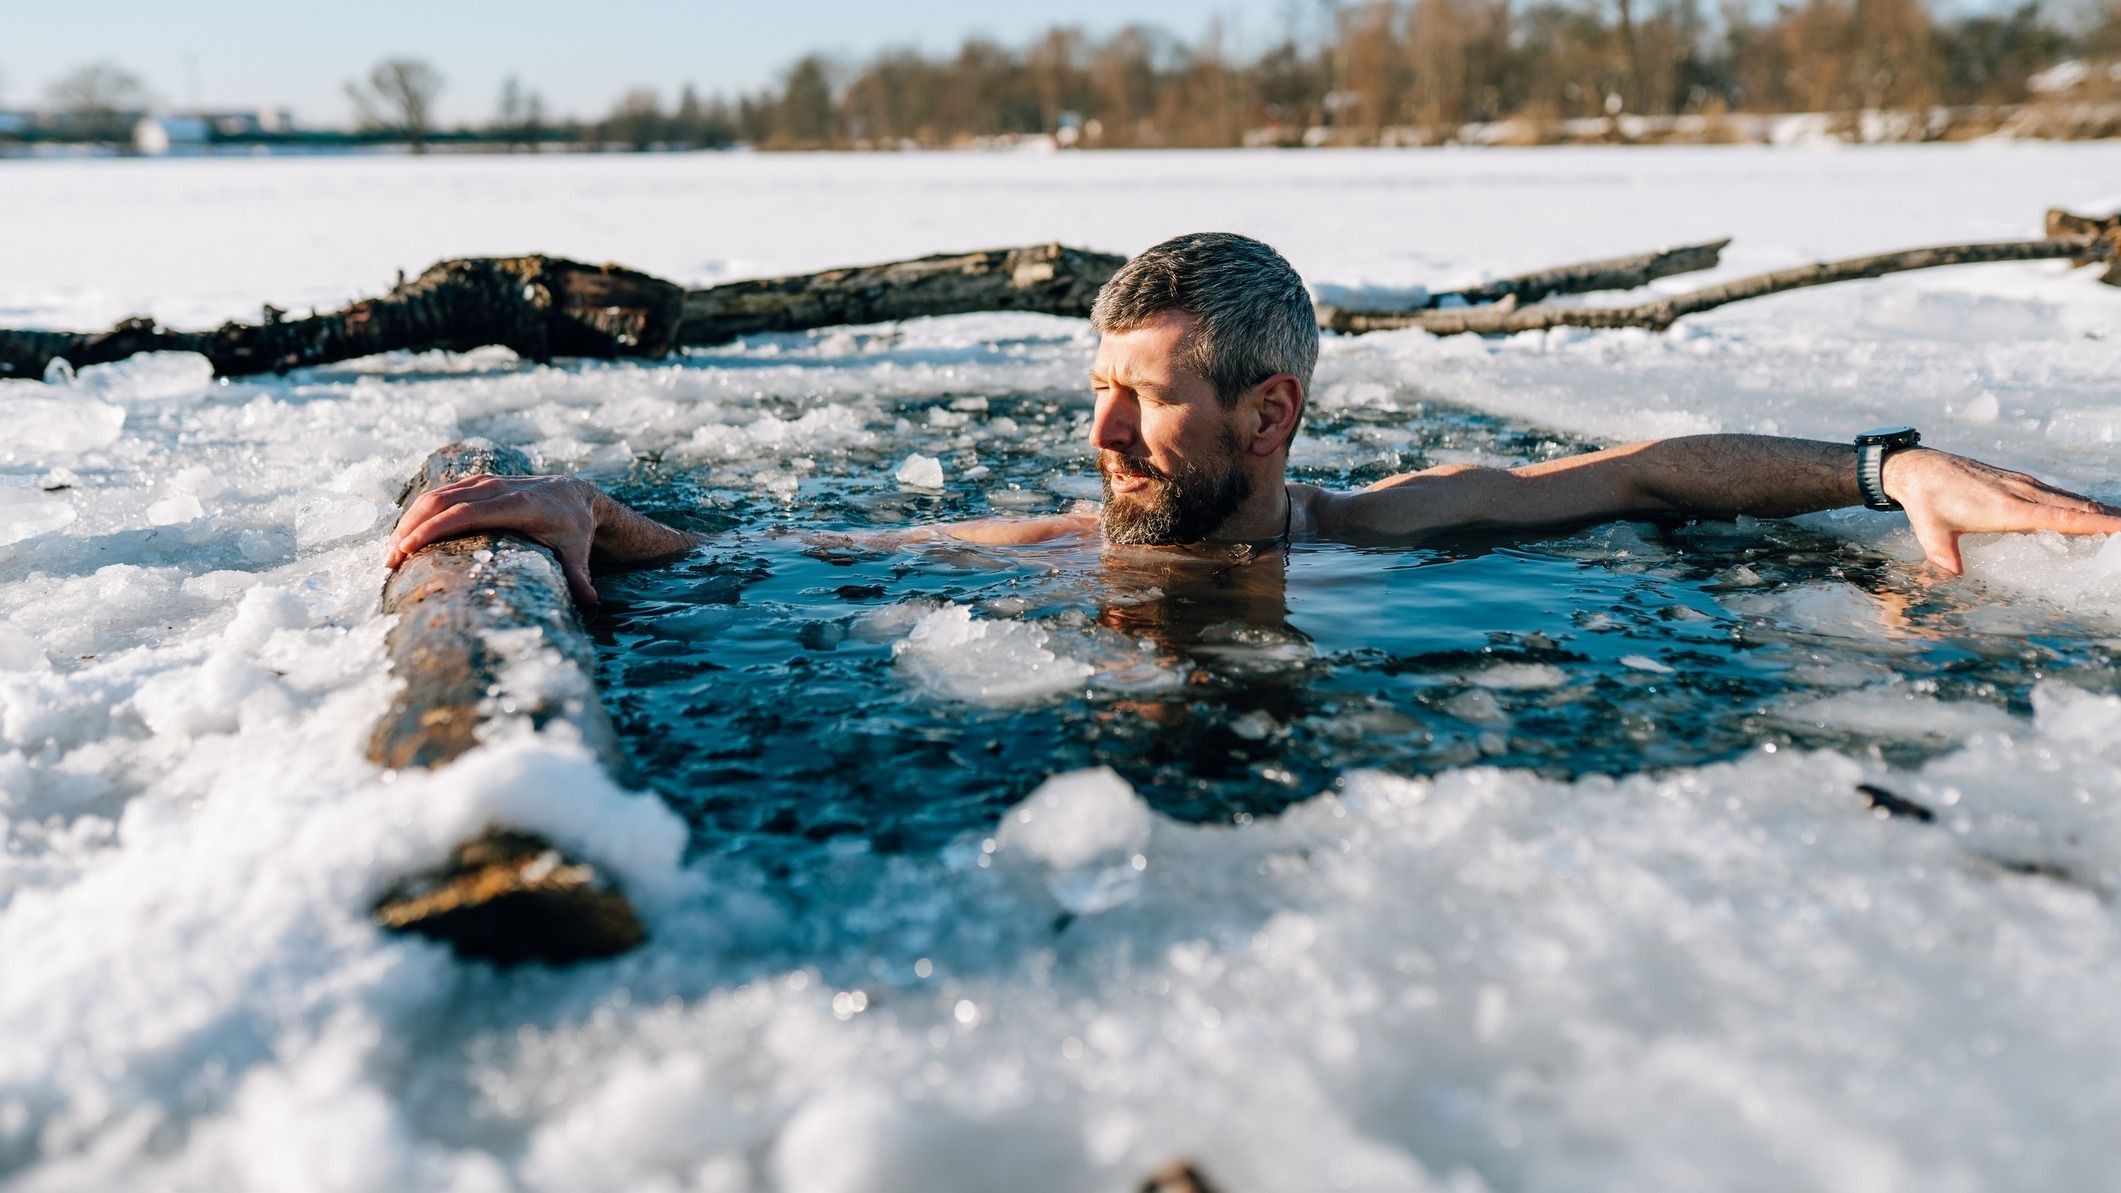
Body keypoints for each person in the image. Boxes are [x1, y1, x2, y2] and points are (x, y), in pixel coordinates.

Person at [383, 232, 2121, 606]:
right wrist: (593, 512)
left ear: (1270, 410)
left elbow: (1647, 467)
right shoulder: (1065, 541)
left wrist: (1883, 461)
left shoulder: (1388, 526)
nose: (1099, 449)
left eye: (1140, 410)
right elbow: (806, 547)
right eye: (1097, 404)